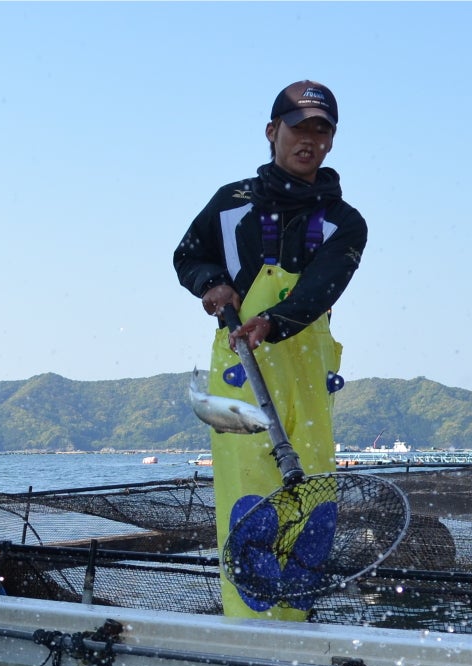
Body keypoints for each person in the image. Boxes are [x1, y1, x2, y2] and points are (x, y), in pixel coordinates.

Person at [174, 81, 368, 619]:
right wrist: (211, 282)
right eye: (298, 127)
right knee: (250, 500)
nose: (309, 140)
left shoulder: (344, 222)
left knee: (312, 500)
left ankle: (296, 623)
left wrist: (273, 321)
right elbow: (187, 256)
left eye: (321, 130)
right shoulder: (230, 202)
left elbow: (321, 288)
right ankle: (247, 624)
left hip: (306, 374)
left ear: (330, 141)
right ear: (272, 132)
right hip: (240, 372)